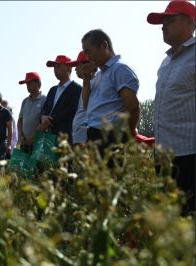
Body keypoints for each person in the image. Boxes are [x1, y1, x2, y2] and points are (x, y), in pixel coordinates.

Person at [147, 0, 195, 215]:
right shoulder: (165, 62)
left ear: (190, 23)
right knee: (172, 221)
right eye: (162, 23)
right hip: (164, 156)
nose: (163, 26)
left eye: (170, 20)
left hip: (189, 154)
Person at [78, 29, 140, 155]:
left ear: (104, 46)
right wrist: (86, 79)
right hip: (94, 136)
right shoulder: (99, 75)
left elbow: (133, 108)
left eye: (89, 52)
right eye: (85, 53)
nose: (88, 57)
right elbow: (86, 105)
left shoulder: (120, 69)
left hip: (110, 138)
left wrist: (127, 136)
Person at [39, 55, 82, 144]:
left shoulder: (77, 89)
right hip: (49, 137)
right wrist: (43, 116)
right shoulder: (52, 89)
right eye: (54, 67)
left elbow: (72, 110)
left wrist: (50, 119)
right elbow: (45, 108)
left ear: (69, 68)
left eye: (58, 66)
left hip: (67, 137)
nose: (55, 69)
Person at [67, 51, 97, 145]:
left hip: (87, 140)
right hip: (79, 138)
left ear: (86, 65)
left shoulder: (95, 83)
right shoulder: (87, 84)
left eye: (77, 65)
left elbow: (88, 107)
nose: (75, 69)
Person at [17, 72, 47, 154]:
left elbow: (45, 122)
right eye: (26, 84)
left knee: (37, 166)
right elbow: (20, 120)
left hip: (38, 143)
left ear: (37, 83)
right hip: (24, 143)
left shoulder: (45, 99)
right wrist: (20, 135)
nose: (27, 86)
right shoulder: (25, 101)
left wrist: (34, 137)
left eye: (29, 83)